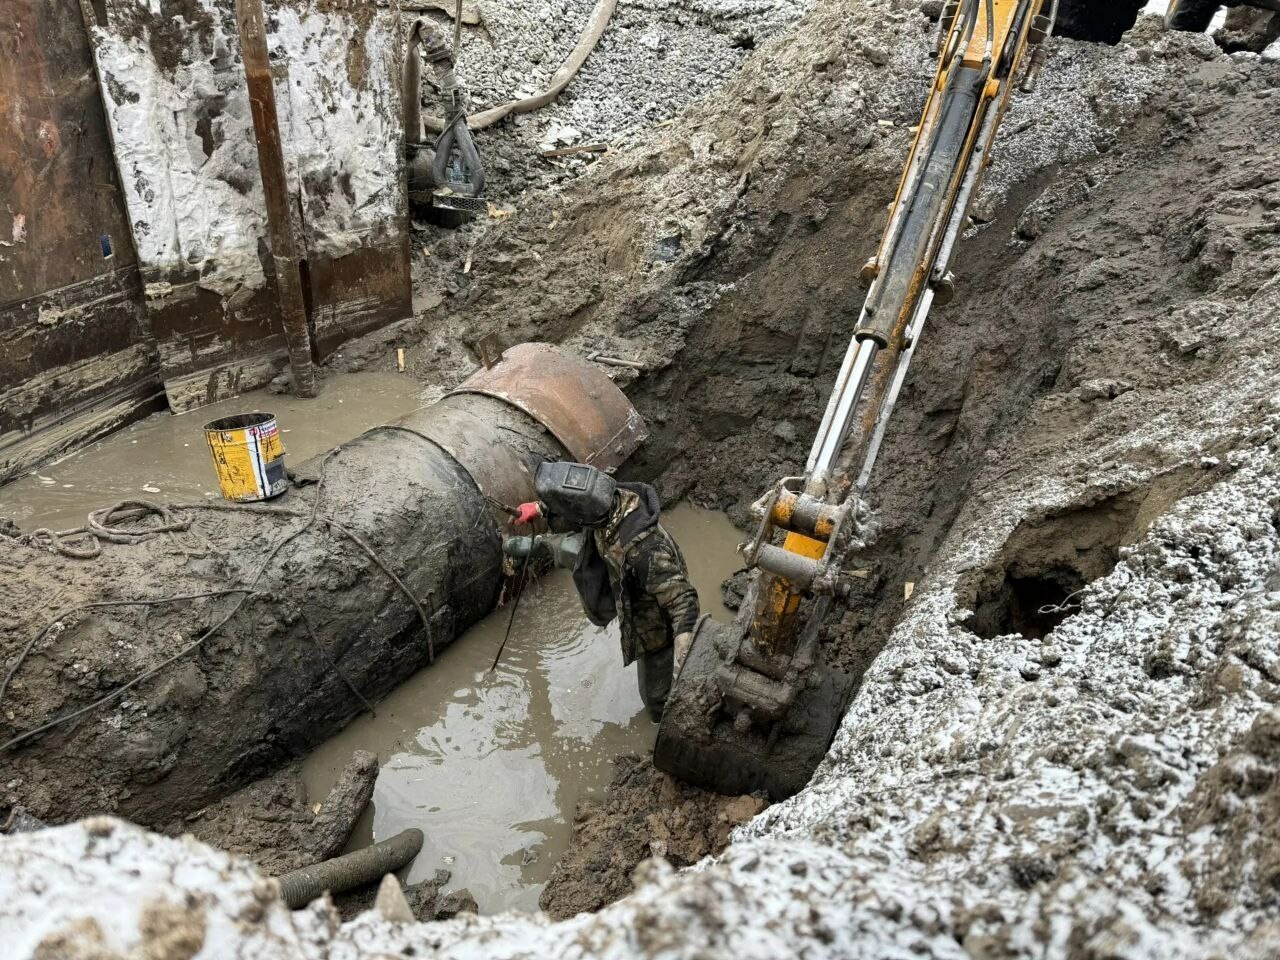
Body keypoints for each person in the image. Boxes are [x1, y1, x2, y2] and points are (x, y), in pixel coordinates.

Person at [503, 460, 699, 721]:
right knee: (568, 547)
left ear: (586, 516)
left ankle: (666, 723)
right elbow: (571, 504)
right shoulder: (606, 496)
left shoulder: (644, 551)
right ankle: (540, 547)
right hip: (621, 572)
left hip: (652, 616)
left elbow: (683, 600)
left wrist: (684, 643)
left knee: (655, 698)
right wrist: (539, 508)